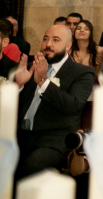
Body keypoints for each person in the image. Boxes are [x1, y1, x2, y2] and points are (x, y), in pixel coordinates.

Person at [12, 25, 94, 181]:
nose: (48, 44)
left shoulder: (82, 72)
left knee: (29, 169)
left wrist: (43, 82)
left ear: (68, 46)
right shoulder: (31, 67)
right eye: (45, 39)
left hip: (53, 139)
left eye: (56, 40)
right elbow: (13, 107)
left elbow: (73, 105)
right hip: (21, 134)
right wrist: (18, 86)